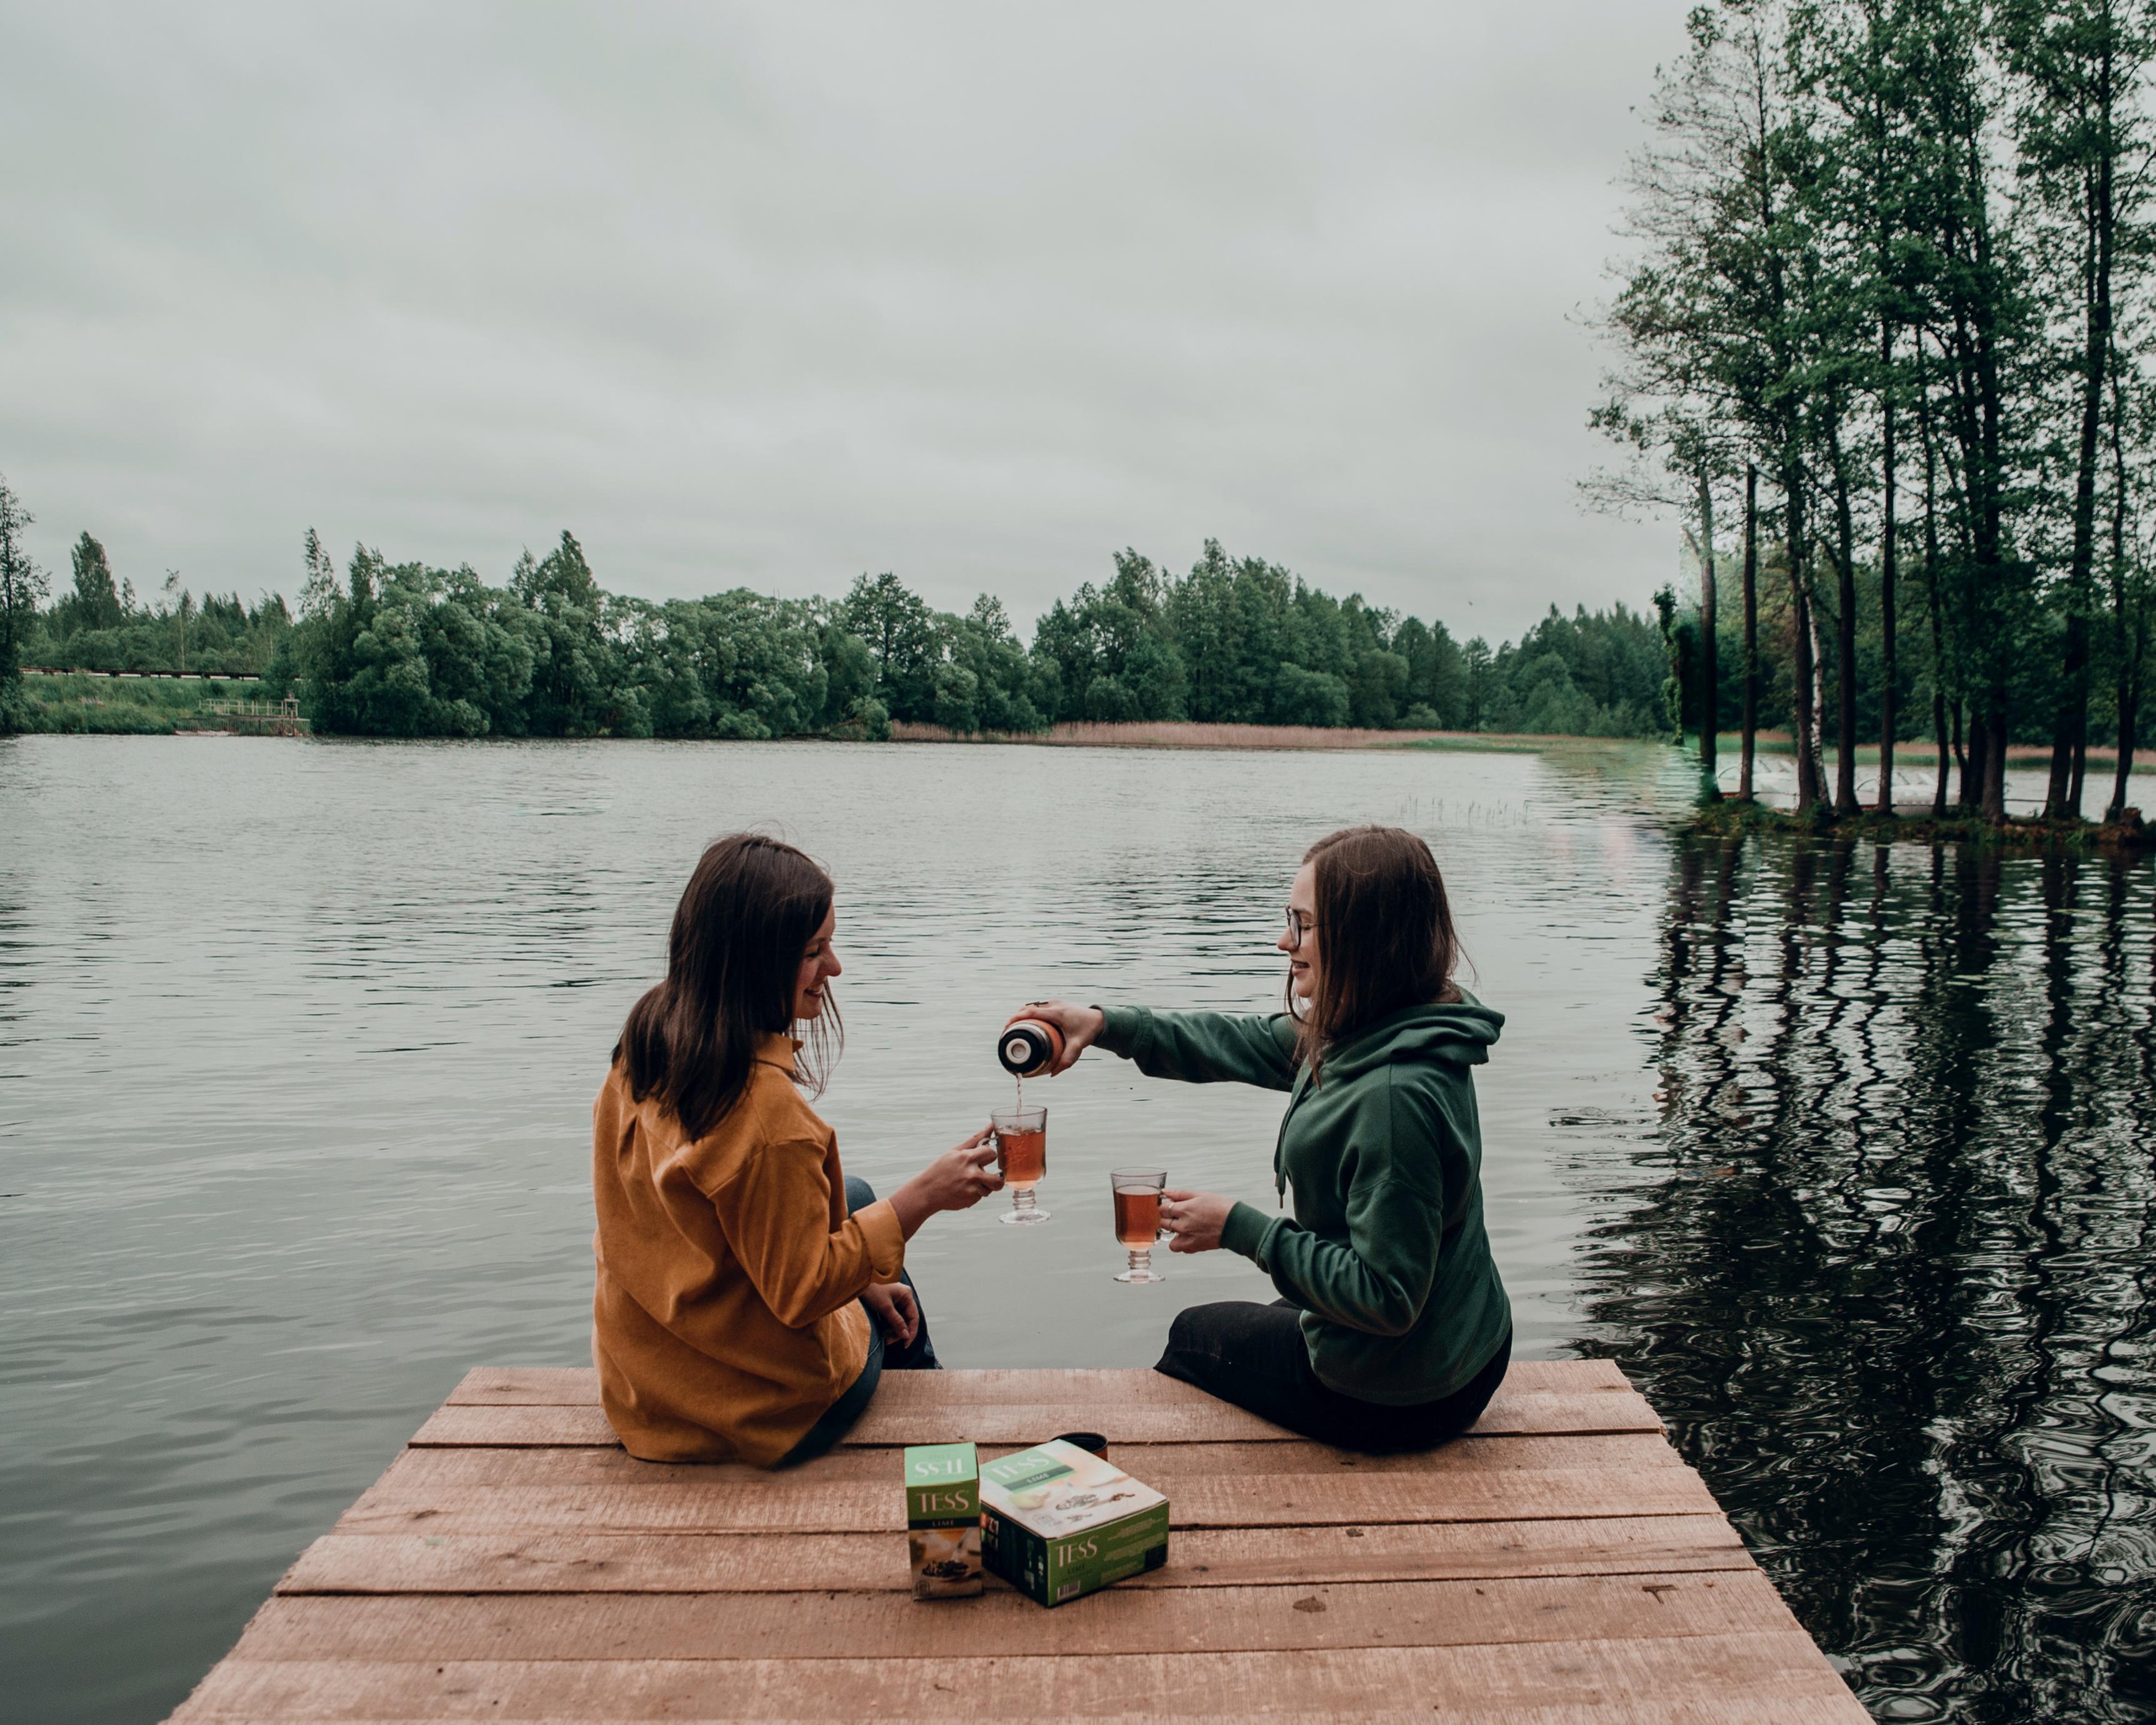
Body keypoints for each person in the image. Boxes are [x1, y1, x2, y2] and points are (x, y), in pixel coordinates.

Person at [1018, 825, 1511, 1451]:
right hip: (1469, 1341)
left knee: (1194, 1336)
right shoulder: (1402, 1022)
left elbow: (1388, 1299)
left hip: (1403, 1398)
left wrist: (1240, 1228)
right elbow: (1242, 1041)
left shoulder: (1394, 1099)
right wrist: (1106, 1024)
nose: (1285, 942)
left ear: (1364, 938)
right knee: (1280, 1313)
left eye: (1304, 925)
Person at [592, 833, 1001, 1466]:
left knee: (855, 1198)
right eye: (813, 952)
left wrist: (864, 1280)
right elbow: (800, 1292)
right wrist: (922, 1200)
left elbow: (712, 1230)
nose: (834, 968)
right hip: (764, 1413)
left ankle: (908, 1358)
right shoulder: (766, 1116)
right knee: (878, 1216)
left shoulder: (649, 1037)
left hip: (650, 1390)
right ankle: (933, 1415)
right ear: (756, 960)